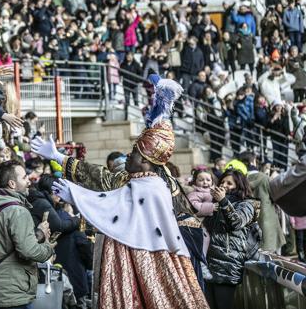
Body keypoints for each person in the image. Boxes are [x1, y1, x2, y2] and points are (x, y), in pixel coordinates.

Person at [31, 76, 208, 308]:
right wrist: (60, 160)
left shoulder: (148, 184)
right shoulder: (150, 177)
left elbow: (111, 195)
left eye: (134, 153)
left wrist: (75, 192)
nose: (128, 158)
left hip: (143, 253)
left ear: (146, 159)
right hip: (151, 250)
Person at [0, 160, 55, 309]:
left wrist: (38, 233)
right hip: (13, 294)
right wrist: (47, 246)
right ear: (12, 184)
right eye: (24, 177)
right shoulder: (17, 211)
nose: (28, 181)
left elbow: (7, 243)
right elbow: (28, 250)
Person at [204, 170, 261, 309]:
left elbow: (236, 223)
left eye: (229, 183)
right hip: (210, 264)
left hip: (228, 266)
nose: (224, 185)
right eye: (222, 182)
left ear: (239, 185)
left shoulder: (247, 204)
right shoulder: (218, 204)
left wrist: (223, 201)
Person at [239, 152, 285, 253]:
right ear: (253, 161)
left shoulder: (240, 179)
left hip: (249, 220)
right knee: (274, 255)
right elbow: (275, 196)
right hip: (268, 219)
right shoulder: (264, 178)